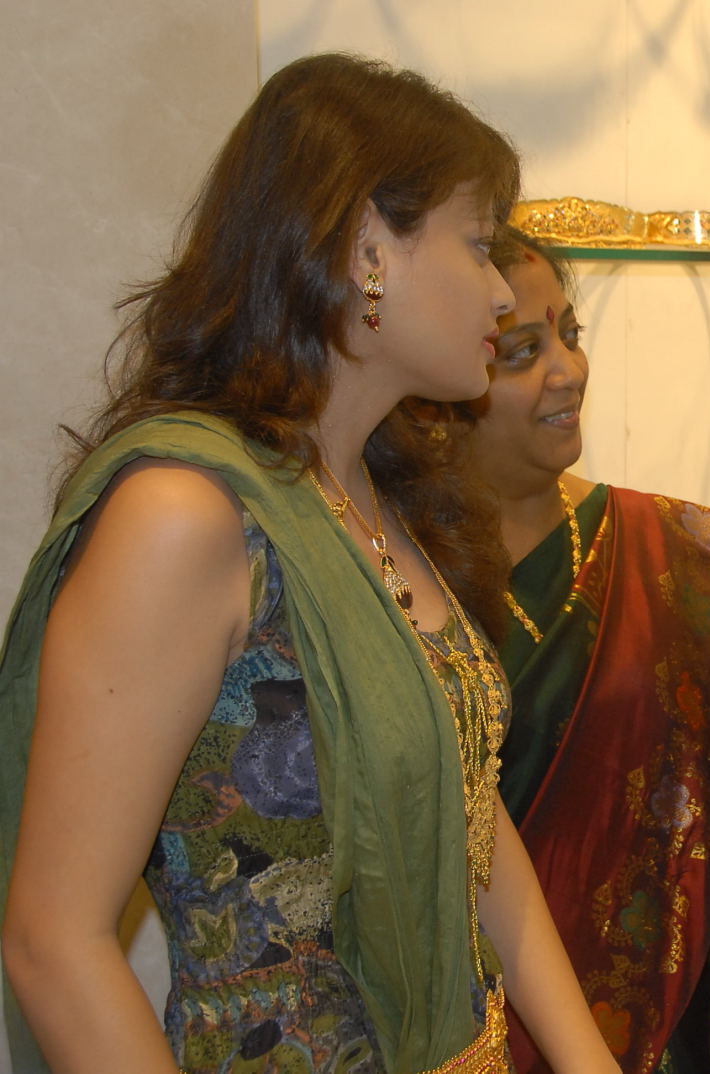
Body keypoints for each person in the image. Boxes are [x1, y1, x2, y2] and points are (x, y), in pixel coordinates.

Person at [0, 54, 620, 1074]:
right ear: (368, 246)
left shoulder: (377, 493)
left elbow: (464, 815)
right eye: (477, 245)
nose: (502, 293)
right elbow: (53, 941)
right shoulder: (187, 515)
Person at [465, 227, 710, 1074]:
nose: (569, 370)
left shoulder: (682, 552)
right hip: (456, 1029)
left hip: (655, 1029)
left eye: (571, 334)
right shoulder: (391, 568)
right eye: (524, 351)